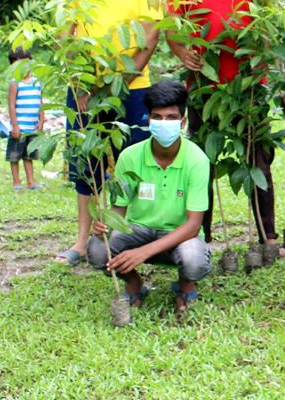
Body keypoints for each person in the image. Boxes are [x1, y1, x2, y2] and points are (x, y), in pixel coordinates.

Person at [166, 0, 285, 254]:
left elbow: (268, 27)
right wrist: (182, 53)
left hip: (249, 87)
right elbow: (173, 27)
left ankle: (269, 236)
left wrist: (265, 71)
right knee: (202, 161)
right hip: (204, 88)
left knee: (257, 159)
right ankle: (199, 237)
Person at [56, 0, 162, 266]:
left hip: (133, 89)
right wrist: (81, 85)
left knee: (134, 161)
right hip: (85, 90)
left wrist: (124, 79)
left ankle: (129, 234)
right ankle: (82, 242)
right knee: (87, 165)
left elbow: (150, 36)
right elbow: (65, 36)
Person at [87, 81, 211, 312]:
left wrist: (144, 252)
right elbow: (119, 210)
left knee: (194, 262)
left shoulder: (197, 160)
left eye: (172, 117)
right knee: (96, 249)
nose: (164, 124)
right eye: (157, 117)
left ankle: (185, 282)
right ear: (148, 119)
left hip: (180, 233)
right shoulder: (130, 157)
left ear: (183, 123)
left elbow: (193, 225)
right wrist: (104, 224)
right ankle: (134, 282)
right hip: (138, 230)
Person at [6, 47, 44, 192]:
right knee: (14, 156)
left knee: (29, 156)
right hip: (20, 127)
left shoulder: (36, 82)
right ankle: (16, 182)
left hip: (32, 127)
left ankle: (31, 182)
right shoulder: (15, 83)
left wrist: (41, 120)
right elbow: (11, 105)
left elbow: (41, 102)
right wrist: (15, 126)